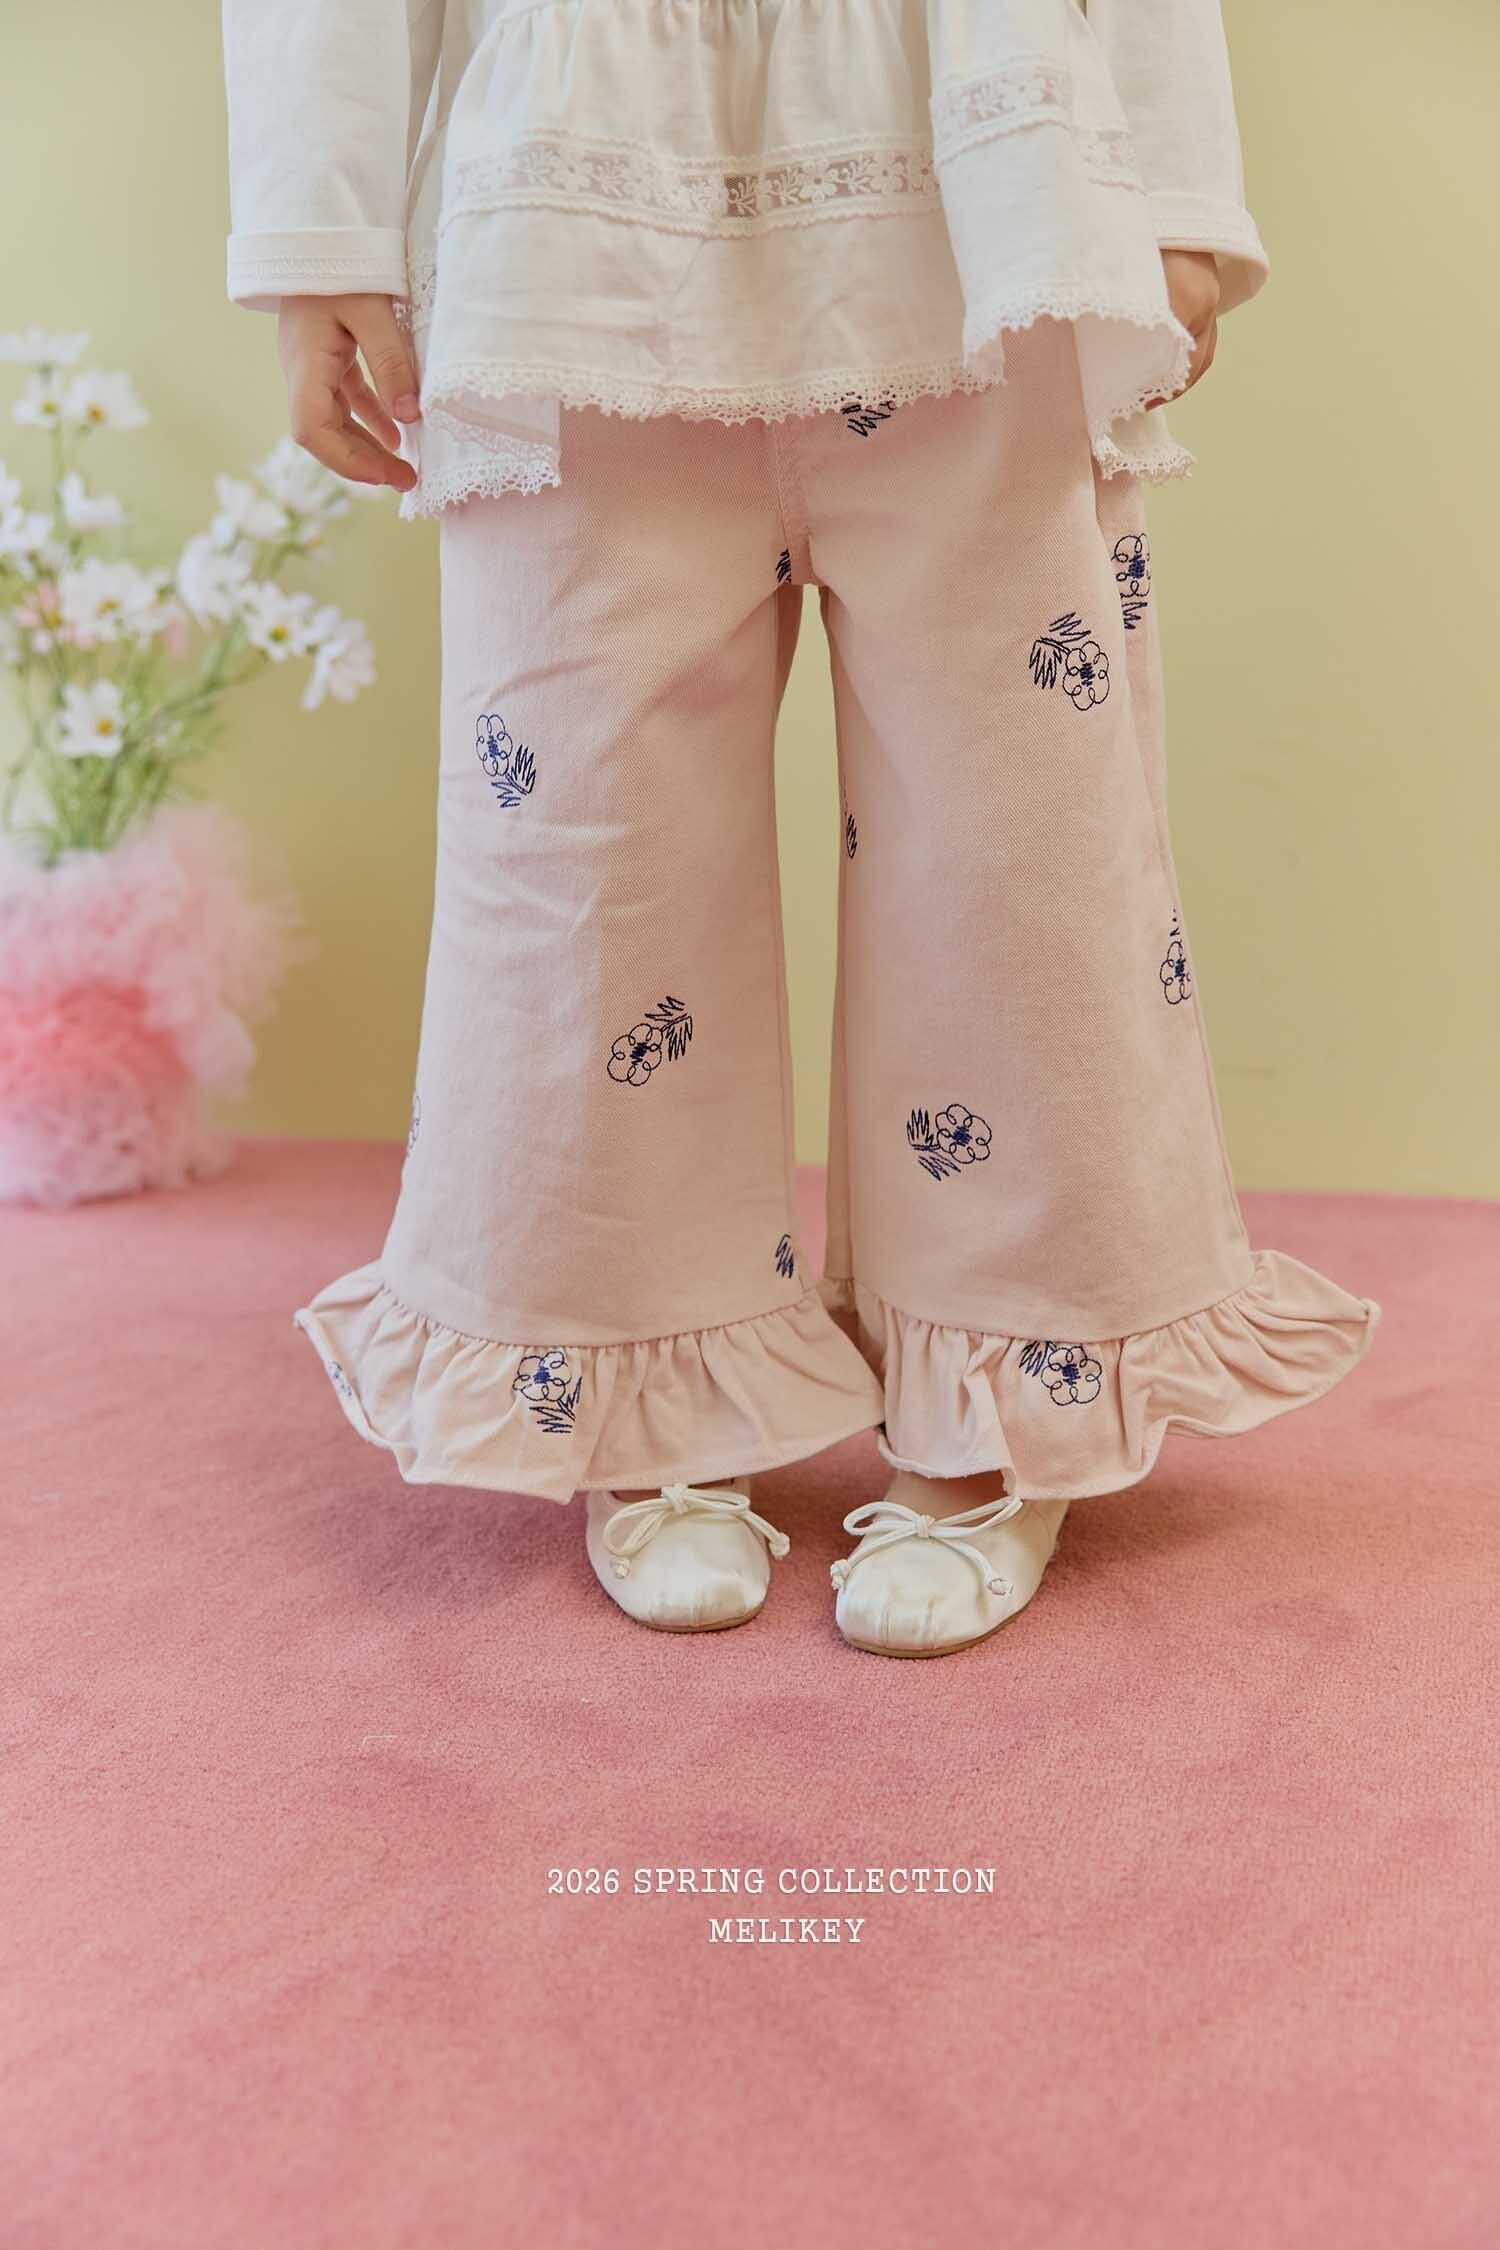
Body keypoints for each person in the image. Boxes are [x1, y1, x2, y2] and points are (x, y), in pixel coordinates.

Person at [221, 0, 1379, 1659]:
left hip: (978, 180)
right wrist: (316, 234)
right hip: (572, 215)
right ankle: (631, 1376)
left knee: (1015, 841)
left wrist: (1180, 175)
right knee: (584, 848)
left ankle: (1006, 1385)